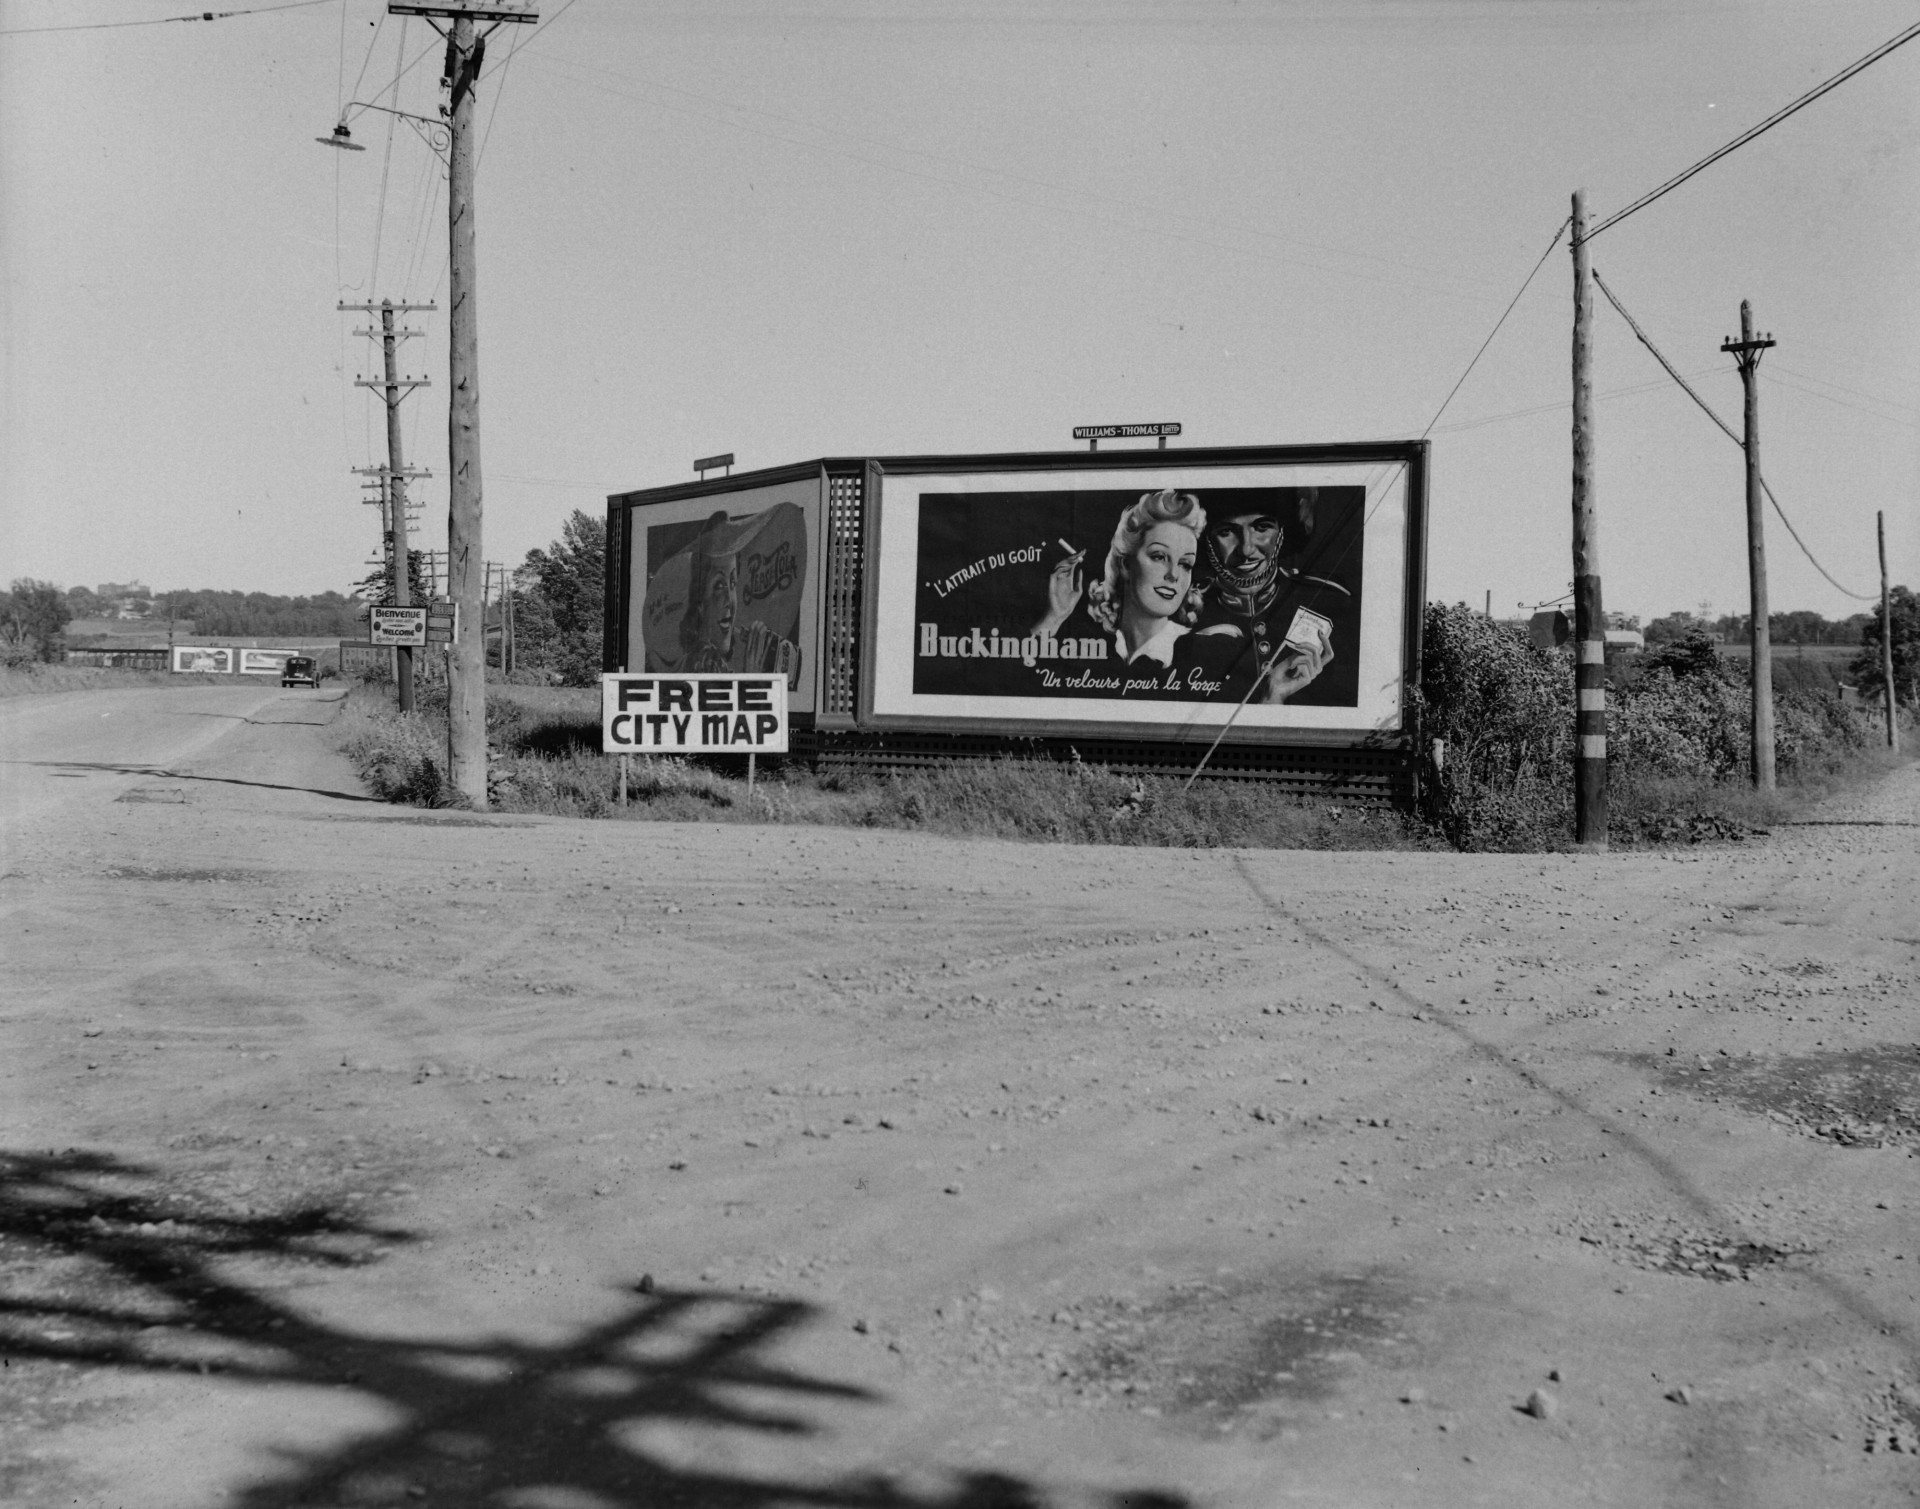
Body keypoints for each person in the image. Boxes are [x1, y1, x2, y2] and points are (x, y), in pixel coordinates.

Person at [1189, 489, 1353, 705]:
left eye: (1261, 528)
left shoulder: (1331, 601)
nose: (1246, 549)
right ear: (1206, 539)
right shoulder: (1179, 613)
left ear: (1281, 532)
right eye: (1227, 531)